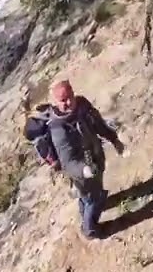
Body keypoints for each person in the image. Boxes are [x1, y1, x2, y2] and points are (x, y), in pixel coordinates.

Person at [23, 79, 125, 239]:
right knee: (94, 198)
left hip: (95, 158)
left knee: (87, 197)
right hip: (82, 171)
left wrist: (114, 139)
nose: (69, 102)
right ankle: (90, 230)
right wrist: (84, 170)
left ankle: (85, 211)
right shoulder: (57, 127)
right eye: (63, 100)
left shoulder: (82, 105)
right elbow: (67, 161)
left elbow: (98, 124)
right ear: (56, 103)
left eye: (70, 96)